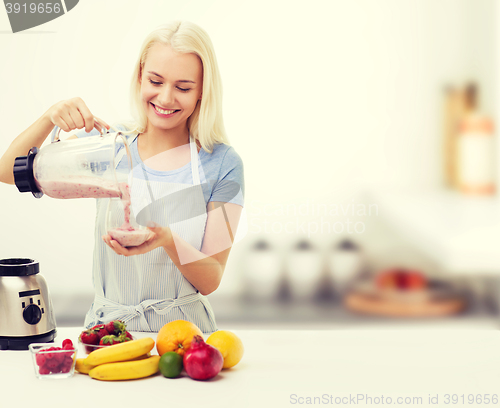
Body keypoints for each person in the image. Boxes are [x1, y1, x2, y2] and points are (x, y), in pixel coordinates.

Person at [0, 21, 244, 335]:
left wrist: (166, 240)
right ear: (140, 75)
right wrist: (50, 116)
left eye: (183, 87)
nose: (166, 98)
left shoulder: (222, 163)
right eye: (156, 80)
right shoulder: (108, 148)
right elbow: (8, 172)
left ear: (202, 92)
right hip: (108, 332)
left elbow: (210, 279)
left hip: (186, 337)